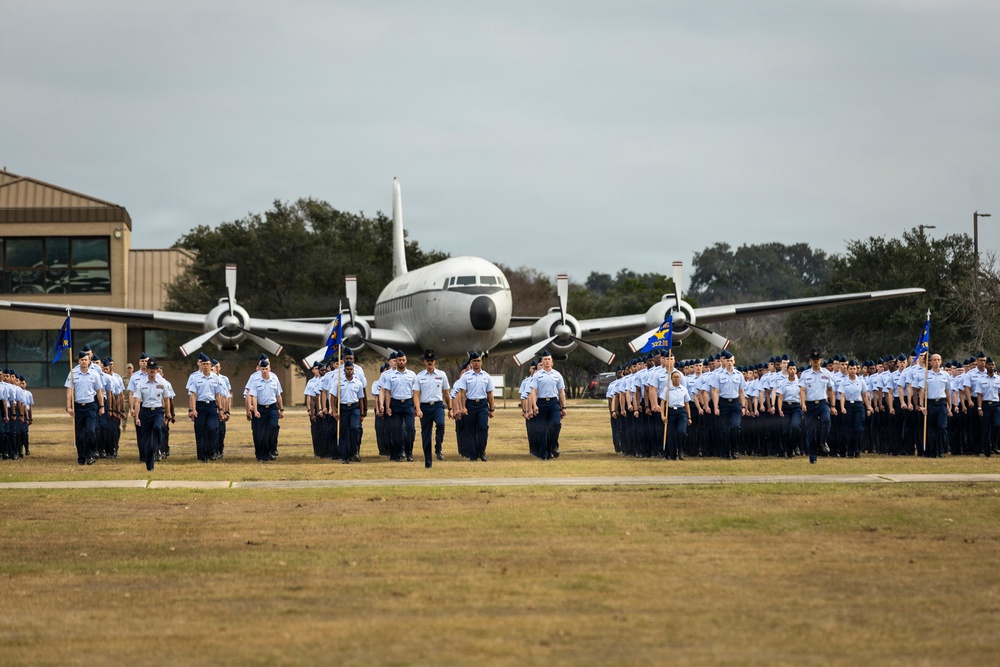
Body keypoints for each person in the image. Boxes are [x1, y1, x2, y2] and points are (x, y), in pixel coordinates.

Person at [65, 351, 106, 465]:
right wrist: (69, 407)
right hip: (78, 407)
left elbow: (99, 391)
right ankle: (81, 456)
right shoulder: (73, 373)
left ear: (89, 361)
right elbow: (69, 392)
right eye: (81, 360)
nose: (84, 361)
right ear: (78, 361)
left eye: (86, 359)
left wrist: (101, 406)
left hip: (90, 406)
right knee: (79, 434)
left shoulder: (94, 374)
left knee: (90, 431)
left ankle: (91, 454)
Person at [413, 349, 452, 468]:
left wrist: (450, 408)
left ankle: (438, 446)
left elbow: (446, 393)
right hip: (425, 406)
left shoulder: (442, 375)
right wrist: (418, 409)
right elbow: (416, 394)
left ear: (435, 361)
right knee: (426, 435)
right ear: (424, 362)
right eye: (427, 360)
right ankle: (428, 462)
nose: (430, 362)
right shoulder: (419, 376)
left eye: (432, 360)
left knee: (440, 424)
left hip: (437, 405)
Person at [799, 348, 837, 464]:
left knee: (826, 420)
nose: (815, 361)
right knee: (810, 432)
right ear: (810, 361)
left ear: (821, 360)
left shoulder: (826, 373)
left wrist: (833, 406)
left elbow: (830, 390)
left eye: (817, 359)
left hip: (822, 403)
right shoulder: (805, 374)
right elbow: (802, 390)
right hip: (810, 405)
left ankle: (823, 442)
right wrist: (803, 404)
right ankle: (813, 457)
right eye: (813, 359)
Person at [528, 350, 566, 460]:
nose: (547, 361)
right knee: (541, 430)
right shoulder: (537, 375)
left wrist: (563, 407)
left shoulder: (557, 375)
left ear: (552, 362)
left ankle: (553, 445)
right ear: (542, 362)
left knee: (555, 424)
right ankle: (544, 453)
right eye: (545, 359)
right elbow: (533, 391)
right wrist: (534, 405)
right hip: (541, 402)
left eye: (549, 359)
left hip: (554, 402)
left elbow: (561, 392)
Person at [456, 351, 495, 461]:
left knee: (483, 428)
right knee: (470, 430)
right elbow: (463, 393)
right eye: (474, 361)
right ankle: (473, 454)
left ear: (481, 362)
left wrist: (492, 408)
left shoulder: (486, 376)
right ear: (471, 363)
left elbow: (490, 394)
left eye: (478, 361)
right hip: (470, 404)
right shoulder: (466, 376)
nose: (477, 363)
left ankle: (481, 451)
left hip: (482, 404)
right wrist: (463, 407)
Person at [379, 351, 418, 462]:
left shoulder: (412, 375)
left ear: (406, 361)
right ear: (396, 361)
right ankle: (398, 453)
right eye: (399, 360)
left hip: (408, 404)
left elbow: (415, 392)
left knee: (410, 429)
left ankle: (409, 452)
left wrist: (416, 407)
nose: (401, 362)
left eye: (403, 360)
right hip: (395, 404)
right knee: (396, 430)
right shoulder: (390, 376)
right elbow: (387, 392)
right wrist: (387, 407)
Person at [186, 352, 224, 462]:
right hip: (200, 406)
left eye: (208, 364)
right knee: (200, 431)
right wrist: (193, 409)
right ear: (201, 365)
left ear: (211, 365)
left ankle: (212, 452)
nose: (206, 366)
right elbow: (193, 395)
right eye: (204, 364)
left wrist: (220, 409)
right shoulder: (195, 378)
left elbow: (218, 395)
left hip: (212, 406)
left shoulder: (216, 379)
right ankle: (202, 455)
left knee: (213, 429)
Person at [709, 350, 746, 459]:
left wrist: (743, 406)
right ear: (724, 362)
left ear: (734, 362)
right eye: (728, 361)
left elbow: (742, 392)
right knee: (724, 429)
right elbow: (715, 391)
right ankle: (725, 453)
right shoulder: (719, 375)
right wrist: (716, 406)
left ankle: (735, 450)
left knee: (735, 426)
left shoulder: (739, 375)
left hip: (735, 403)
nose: (729, 363)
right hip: (723, 403)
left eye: (731, 361)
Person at [133, 359, 169, 471]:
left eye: (154, 369)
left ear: (157, 370)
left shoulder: (162, 383)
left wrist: (167, 415)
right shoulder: (141, 384)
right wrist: (137, 417)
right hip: (146, 412)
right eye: (150, 369)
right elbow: (138, 401)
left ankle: (157, 446)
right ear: (147, 370)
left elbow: (166, 400)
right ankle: (150, 466)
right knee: (147, 442)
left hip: (158, 411)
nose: (152, 371)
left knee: (158, 428)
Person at [247, 358, 284, 462]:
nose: (264, 371)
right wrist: (255, 410)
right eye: (262, 369)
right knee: (262, 434)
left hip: (272, 407)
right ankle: (264, 456)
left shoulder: (274, 379)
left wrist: (281, 409)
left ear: (269, 369)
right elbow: (253, 396)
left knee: (273, 427)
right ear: (260, 369)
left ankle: (273, 447)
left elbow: (278, 395)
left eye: (266, 369)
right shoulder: (255, 380)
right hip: (261, 408)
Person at [331, 360, 367, 464]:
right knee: (344, 432)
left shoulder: (358, 383)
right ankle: (344, 455)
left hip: (354, 408)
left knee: (355, 428)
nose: (349, 371)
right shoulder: (338, 382)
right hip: (343, 408)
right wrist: (334, 411)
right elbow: (333, 398)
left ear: (353, 370)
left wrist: (362, 413)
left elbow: (360, 399)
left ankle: (355, 451)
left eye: (351, 369)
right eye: (347, 369)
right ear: (344, 370)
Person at [838, 359, 872, 458]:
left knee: (858, 429)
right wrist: (842, 407)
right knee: (848, 430)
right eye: (851, 369)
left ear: (857, 370)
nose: (852, 370)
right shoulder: (844, 382)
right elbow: (842, 395)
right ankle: (849, 451)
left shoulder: (861, 381)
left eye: (854, 369)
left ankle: (857, 451)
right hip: (848, 405)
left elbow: (865, 395)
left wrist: (869, 407)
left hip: (858, 406)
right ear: (848, 370)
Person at [660, 369, 692, 460]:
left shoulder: (684, 389)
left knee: (682, 431)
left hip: (681, 412)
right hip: (670, 412)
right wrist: (663, 416)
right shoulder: (667, 389)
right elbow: (662, 403)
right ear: (671, 379)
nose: (676, 379)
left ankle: (681, 450)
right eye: (674, 377)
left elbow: (687, 404)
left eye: (678, 377)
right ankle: (672, 454)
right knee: (671, 434)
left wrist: (689, 417)